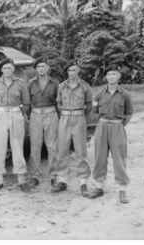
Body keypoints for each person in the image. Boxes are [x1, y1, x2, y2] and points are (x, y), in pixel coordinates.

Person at [88, 65, 133, 203]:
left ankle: (122, 190)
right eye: (109, 74)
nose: (112, 77)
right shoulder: (99, 94)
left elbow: (129, 112)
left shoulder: (125, 95)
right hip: (102, 126)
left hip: (117, 126)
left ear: (119, 76)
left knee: (119, 158)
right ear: (106, 77)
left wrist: (120, 124)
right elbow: (95, 111)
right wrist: (102, 123)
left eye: (114, 74)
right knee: (99, 157)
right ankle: (99, 187)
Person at [0, 58, 31, 192]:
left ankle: (21, 179)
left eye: (10, 68)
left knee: (17, 146)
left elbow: (27, 103)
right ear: (1, 70)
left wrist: (17, 113)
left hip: (15, 113)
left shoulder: (20, 83)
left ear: (14, 69)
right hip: (0, 114)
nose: (7, 70)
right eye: (5, 68)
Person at [51, 61, 92, 197]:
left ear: (78, 70)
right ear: (67, 72)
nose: (72, 73)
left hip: (79, 118)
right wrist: (65, 115)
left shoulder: (85, 86)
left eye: (74, 70)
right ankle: (62, 181)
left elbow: (89, 105)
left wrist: (80, 116)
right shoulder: (62, 86)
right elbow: (58, 103)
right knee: (62, 150)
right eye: (69, 70)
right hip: (64, 118)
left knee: (81, 151)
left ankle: (83, 182)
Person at [27, 57, 59, 187]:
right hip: (36, 114)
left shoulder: (55, 83)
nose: (41, 69)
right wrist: (29, 116)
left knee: (52, 146)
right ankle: (34, 175)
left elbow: (59, 101)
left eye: (43, 66)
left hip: (51, 113)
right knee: (35, 146)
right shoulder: (31, 83)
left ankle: (54, 175)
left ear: (47, 68)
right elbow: (27, 101)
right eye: (39, 66)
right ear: (36, 69)